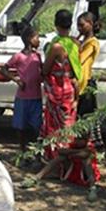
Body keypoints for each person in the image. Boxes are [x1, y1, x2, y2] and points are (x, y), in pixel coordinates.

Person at [41, 9, 81, 162]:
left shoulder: (56, 47)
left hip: (57, 90)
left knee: (54, 126)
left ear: (56, 24)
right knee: (68, 124)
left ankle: (55, 160)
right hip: (71, 89)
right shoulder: (75, 43)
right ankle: (69, 161)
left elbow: (46, 69)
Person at [0, 21, 43, 160]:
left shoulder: (38, 56)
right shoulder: (18, 56)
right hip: (23, 97)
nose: (39, 40)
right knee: (20, 126)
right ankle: (22, 150)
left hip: (36, 97)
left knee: (37, 126)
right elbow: (3, 69)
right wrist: (16, 79)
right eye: (37, 37)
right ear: (30, 39)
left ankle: (36, 152)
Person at [76, 11, 101, 118]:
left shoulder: (92, 43)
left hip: (85, 83)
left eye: (82, 25)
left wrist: (76, 45)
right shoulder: (83, 41)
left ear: (90, 24)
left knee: (84, 117)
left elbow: (80, 59)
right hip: (78, 82)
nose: (79, 29)